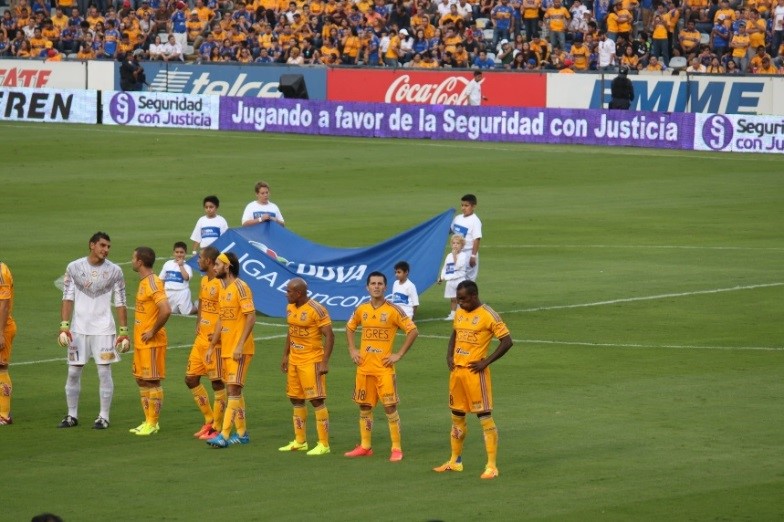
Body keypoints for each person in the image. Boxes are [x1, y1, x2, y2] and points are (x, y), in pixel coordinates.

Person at [433, 280, 513, 480]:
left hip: (476, 376)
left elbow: (507, 341)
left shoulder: (488, 315)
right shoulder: (460, 313)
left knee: (484, 418)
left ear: (474, 296)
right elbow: (455, 333)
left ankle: (492, 466)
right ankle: (455, 461)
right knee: (457, 417)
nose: (460, 303)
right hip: (457, 373)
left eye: (463, 299)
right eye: (458, 299)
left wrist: (486, 362)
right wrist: (449, 356)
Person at [345, 272, 418, 462]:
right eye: (373, 283)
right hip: (364, 367)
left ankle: (396, 448)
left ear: (385, 287)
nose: (376, 286)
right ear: (367, 287)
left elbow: (412, 331)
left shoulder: (394, 310)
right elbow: (350, 327)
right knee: (364, 406)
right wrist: (352, 349)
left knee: (389, 407)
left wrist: (398, 354)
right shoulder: (362, 309)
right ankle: (365, 446)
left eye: (379, 284)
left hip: (384, 368)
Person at [57, 232, 128, 430]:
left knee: (104, 372)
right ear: (92, 245)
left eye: (108, 247)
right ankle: (72, 415)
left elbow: (121, 301)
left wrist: (123, 331)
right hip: (78, 329)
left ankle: (103, 416)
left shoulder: (115, 271)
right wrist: (64, 325)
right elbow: (67, 297)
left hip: (104, 329)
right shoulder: (74, 267)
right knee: (73, 372)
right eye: (102, 245)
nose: (106, 250)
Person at [278, 278, 335, 456]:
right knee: (295, 398)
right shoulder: (290, 307)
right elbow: (291, 330)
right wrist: (286, 354)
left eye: (289, 292)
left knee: (316, 400)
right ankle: (300, 441)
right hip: (295, 360)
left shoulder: (317, 309)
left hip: (312, 361)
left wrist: (324, 361)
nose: (286, 294)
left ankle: (324, 444)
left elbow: (330, 336)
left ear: (299, 293)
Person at [205, 252, 255, 448]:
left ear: (228, 266)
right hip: (227, 349)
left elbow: (251, 317)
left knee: (233, 389)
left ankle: (224, 436)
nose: (214, 267)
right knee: (235, 390)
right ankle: (242, 434)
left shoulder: (241, 288)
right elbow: (221, 320)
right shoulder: (223, 289)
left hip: (239, 349)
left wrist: (241, 344)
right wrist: (211, 346)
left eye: (217, 264)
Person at [129, 246, 172, 436]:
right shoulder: (144, 282)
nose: (132, 261)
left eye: (133, 258)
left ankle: (153, 423)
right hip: (141, 341)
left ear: (140, 262)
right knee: (141, 380)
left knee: (153, 381)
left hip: (152, 342)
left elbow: (166, 309)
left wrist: (153, 330)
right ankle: (147, 420)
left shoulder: (153, 282)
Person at [187, 246, 227, 441]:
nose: (198, 261)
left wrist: (219, 335)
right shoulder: (204, 280)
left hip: (215, 342)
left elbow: (226, 312)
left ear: (209, 261)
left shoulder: (222, 285)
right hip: (201, 338)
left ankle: (217, 427)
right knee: (191, 379)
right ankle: (209, 419)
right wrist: (198, 322)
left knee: (217, 383)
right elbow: (202, 302)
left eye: (200, 258)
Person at [450, 193, 482, 282]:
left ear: (473, 206)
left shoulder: (475, 221)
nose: (463, 208)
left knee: (468, 283)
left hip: (468, 253)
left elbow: (477, 239)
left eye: (466, 206)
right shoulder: (457, 218)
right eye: (462, 205)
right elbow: (450, 230)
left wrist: (473, 256)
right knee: (455, 280)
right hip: (456, 253)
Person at [159, 241, 195, 315]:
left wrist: (181, 266)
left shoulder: (187, 266)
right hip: (168, 292)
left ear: (185, 253)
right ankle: (181, 306)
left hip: (182, 292)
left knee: (186, 313)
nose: (179, 254)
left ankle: (197, 306)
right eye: (177, 252)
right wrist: (161, 292)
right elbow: (162, 279)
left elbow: (186, 278)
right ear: (173, 253)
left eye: (181, 252)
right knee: (169, 311)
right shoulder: (168, 264)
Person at [0, 260, 16, 425]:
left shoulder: (1, 271)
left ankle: (4, 415)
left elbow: (4, 305)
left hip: (2, 326)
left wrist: (0, 333)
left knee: (1, 367)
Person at [438, 235, 468, 321]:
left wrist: (455, 256)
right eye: (454, 243)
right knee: (453, 299)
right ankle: (453, 314)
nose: (455, 245)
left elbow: (458, 266)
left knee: (460, 298)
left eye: (458, 243)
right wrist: (441, 277)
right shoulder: (449, 256)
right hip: (450, 281)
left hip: (459, 280)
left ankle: (462, 313)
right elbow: (445, 268)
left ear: (462, 245)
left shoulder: (463, 255)